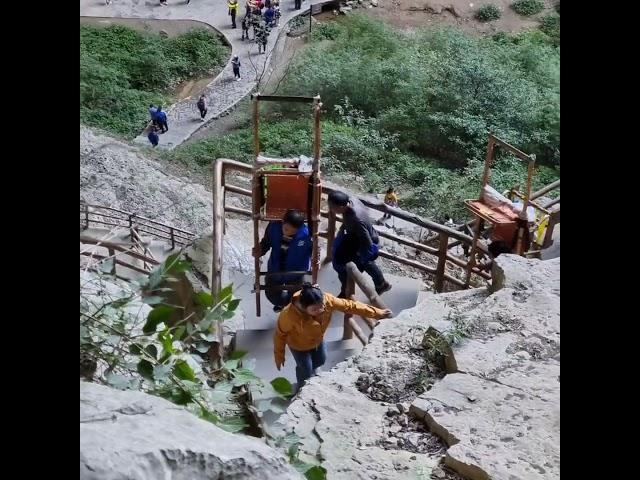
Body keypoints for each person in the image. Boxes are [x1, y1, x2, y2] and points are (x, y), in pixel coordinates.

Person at [274, 283, 393, 389]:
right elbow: (280, 334)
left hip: (318, 339)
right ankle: (301, 388)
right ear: (304, 308)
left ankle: (312, 371)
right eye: (315, 309)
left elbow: (350, 306)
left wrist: (377, 313)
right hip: (299, 346)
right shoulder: (288, 315)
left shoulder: (327, 300)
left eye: (321, 306)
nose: (320, 310)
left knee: (321, 360)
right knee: (305, 370)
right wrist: (279, 355)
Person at [328, 190, 392, 298]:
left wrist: (362, 254)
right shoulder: (352, 200)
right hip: (360, 235)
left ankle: (346, 291)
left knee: (344, 266)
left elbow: (366, 240)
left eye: (332, 207)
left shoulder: (355, 219)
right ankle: (381, 283)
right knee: (364, 263)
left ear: (341, 207)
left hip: (365, 242)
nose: (330, 209)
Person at [253, 209, 312, 312]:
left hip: (296, 271)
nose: (288, 233)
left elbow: (313, 250)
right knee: (272, 296)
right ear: (282, 222)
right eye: (286, 229)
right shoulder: (273, 227)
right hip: (275, 269)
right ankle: (284, 304)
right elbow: (266, 243)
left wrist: (316, 257)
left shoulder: (306, 234)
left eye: (293, 231)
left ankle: (291, 306)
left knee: (297, 296)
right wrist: (260, 250)